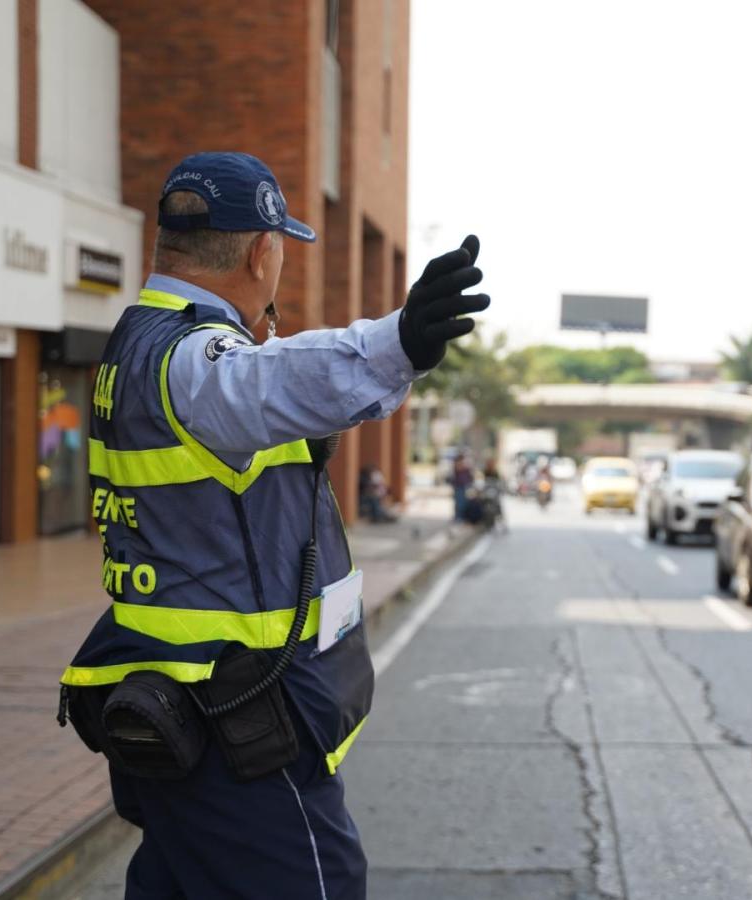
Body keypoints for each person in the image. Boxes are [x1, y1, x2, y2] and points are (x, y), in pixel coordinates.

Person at [57, 151, 489, 899]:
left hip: (165, 710)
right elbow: (264, 379)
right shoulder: (191, 355)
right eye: (282, 247)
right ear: (263, 252)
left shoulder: (132, 343)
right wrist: (399, 341)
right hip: (238, 730)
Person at [449, 453, 474, 520]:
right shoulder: (458, 464)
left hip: (464, 486)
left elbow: (469, 475)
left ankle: (461, 516)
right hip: (459, 486)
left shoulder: (464, 466)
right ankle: (458, 517)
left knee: (463, 502)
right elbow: (458, 469)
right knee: (459, 503)